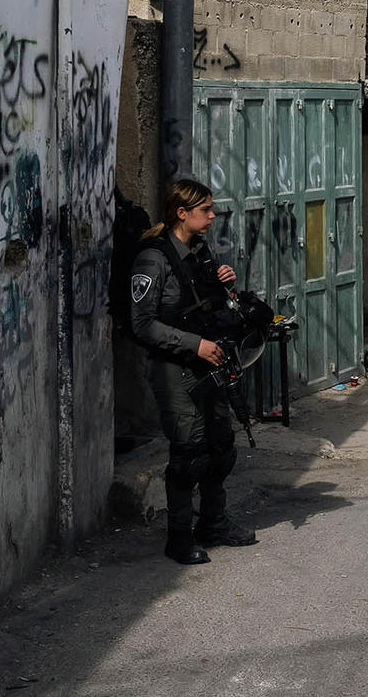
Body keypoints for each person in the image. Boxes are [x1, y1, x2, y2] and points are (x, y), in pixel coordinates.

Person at [130, 178, 258, 564]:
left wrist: (224, 285)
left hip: (210, 364)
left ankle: (213, 522)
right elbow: (143, 324)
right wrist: (194, 345)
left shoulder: (199, 251)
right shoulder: (153, 259)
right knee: (188, 454)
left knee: (221, 447)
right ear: (181, 213)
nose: (213, 215)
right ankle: (179, 536)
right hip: (176, 368)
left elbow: (205, 305)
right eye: (205, 209)